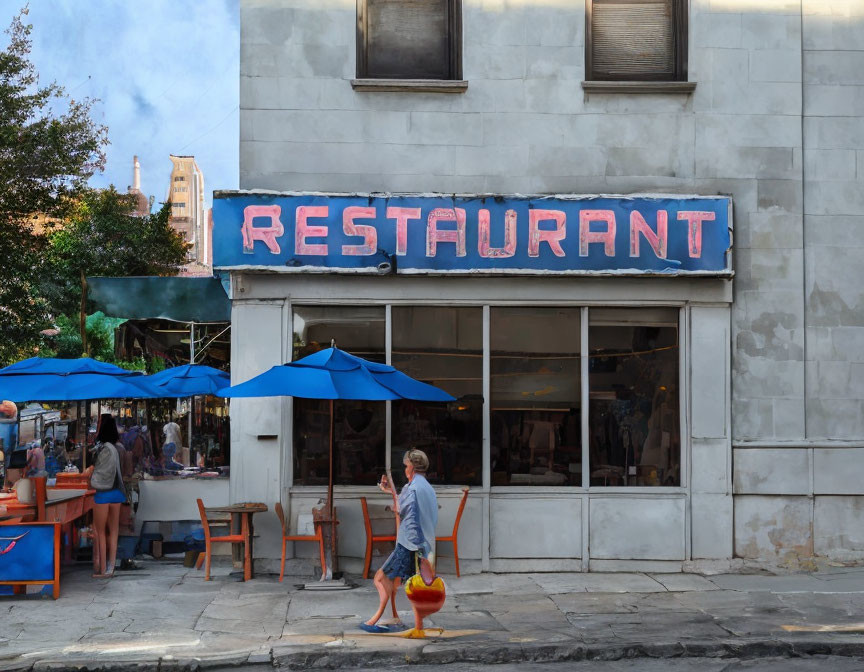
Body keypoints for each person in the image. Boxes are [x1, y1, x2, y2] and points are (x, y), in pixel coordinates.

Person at [361, 449, 438, 634]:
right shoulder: (427, 487)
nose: (405, 469)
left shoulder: (411, 489)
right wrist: (390, 491)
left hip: (408, 544)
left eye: (406, 466)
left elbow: (404, 511)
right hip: (423, 545)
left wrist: (395, 506)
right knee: (404, 584)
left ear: (411, 467)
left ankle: (377, 620)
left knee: (380, 578)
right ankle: (395, 618)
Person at [83, 415, 126, 578]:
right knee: (114, 532)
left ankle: (101, 570)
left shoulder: (102, 449)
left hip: (103, 494)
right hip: (117, 493)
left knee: (100, 531)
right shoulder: (118, 448)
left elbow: (97, 471)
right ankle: (111, 567)